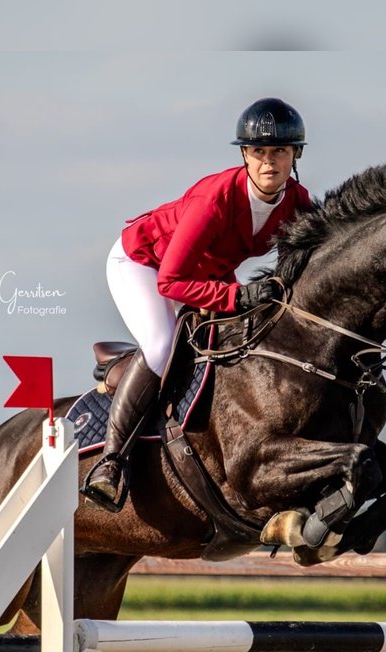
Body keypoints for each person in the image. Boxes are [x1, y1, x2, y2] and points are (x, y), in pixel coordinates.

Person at [81, 97, 313, 512]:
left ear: (295, 155)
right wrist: (237, 296)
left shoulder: (298, 202)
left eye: (279, 151)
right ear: (245, 154)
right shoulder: (215, 199)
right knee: (161, 345)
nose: (268, 162)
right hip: (144, 262)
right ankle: (111, 462)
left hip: (207, 271)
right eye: (258, 152)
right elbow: (171, 281)